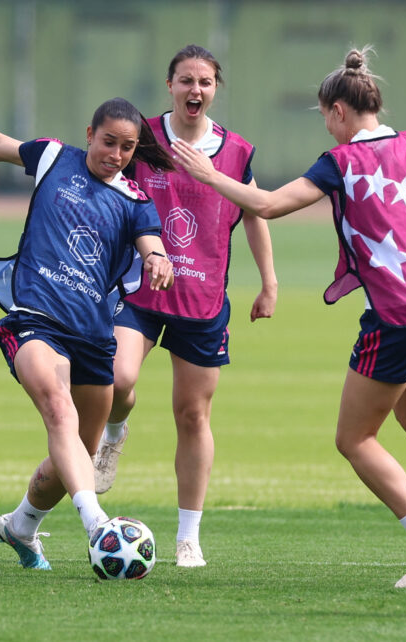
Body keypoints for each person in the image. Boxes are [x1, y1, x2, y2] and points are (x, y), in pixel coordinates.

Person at [171, 47, 406, 587]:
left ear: (338, 112)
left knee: (354, 439)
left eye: (325, 117)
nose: (327, 127)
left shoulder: (341, 161)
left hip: (395, 316)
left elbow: (270, 205)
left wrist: (209, 176)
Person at [0, 88, 175, 571]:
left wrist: (157, 257)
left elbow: (151, 241)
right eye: (109, 142)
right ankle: (97, 527)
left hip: (92, 336)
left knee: (76, 461)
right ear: (89, 135)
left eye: (127, 148)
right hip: (34, 321)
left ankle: (21, 526)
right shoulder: (52, 158)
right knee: (58, 412)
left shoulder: (135, 200)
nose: (117, 155)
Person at [91, 44, 278, 568]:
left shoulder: (236, 152)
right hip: (141, 291)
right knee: (117, 380)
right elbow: (106, 181)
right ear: (170, 85)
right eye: (186, 80)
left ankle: (188, 538)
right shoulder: (144, 138)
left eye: (205, 82)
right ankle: (114, 432)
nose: (195, 90)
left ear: (215, 88)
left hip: (202, 302)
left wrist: (269, 282)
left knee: (193, 414)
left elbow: (256, 211)